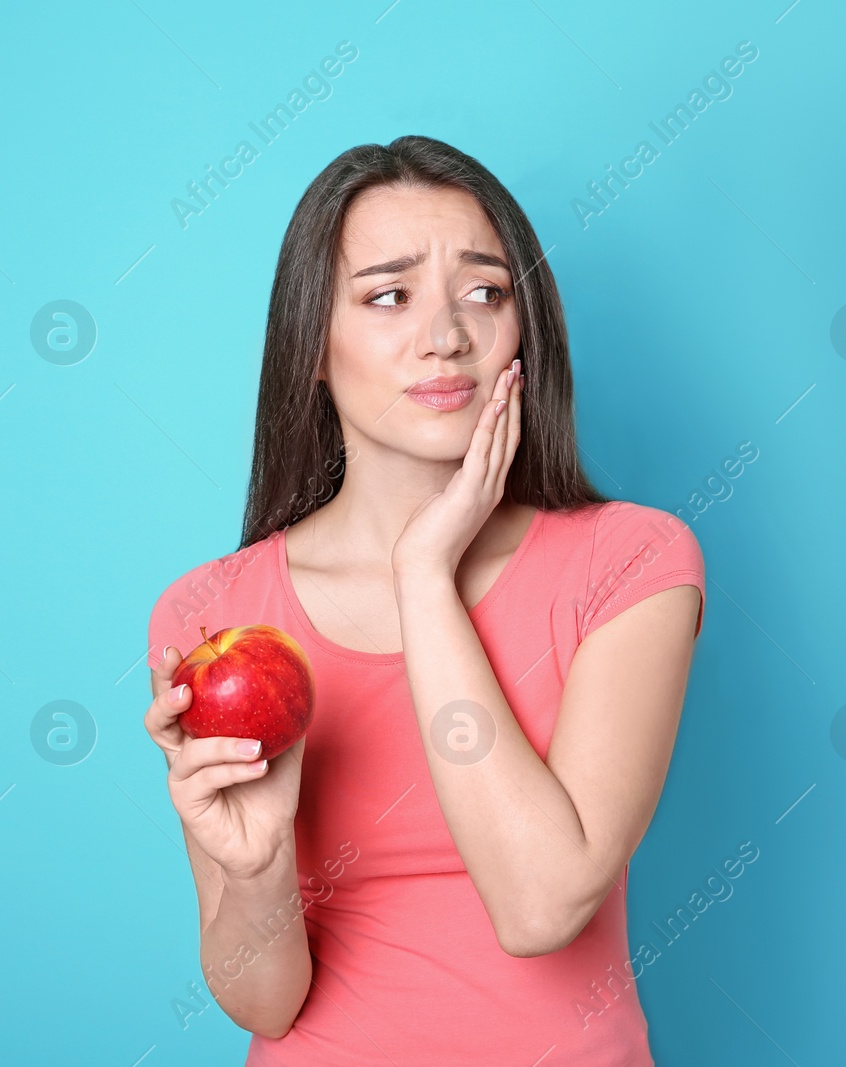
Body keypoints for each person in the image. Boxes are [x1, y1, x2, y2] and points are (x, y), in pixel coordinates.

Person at [143, 135, 705, 1066]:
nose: (446, 334)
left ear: (527, 329)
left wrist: (423, 574)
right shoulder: (213, 613)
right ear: (311, 348)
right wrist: (257, 867)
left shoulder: (631, 561)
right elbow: (266, 1002)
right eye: (389, 295)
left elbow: (542, 904)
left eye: (485, 291)